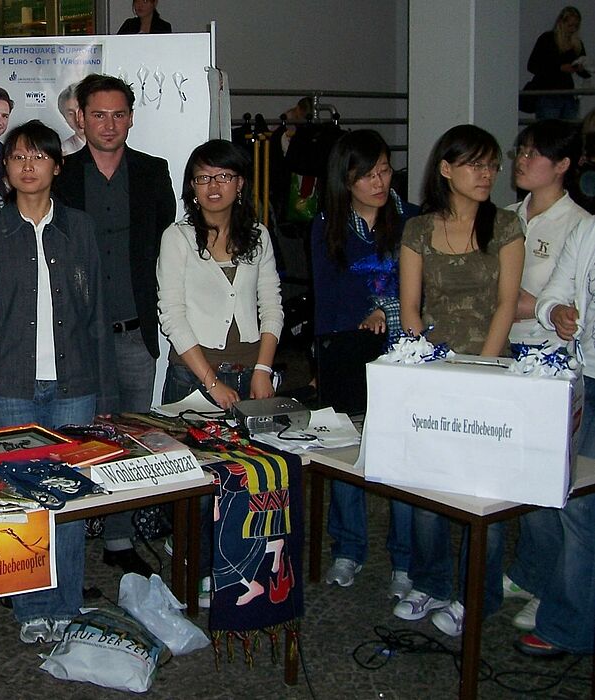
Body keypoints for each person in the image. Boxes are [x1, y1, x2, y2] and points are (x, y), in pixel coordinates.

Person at [0, 119, 117, 645]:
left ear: (57, 165)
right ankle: (31, 607)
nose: (28, 167)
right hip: (9, 388)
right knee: (23, 501)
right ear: (5, 167)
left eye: (39, 157)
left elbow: (97, 313)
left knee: (68, 499)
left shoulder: (80, 228)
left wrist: (106, 394)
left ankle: (66, 604)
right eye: (18, 157)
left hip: (75, 386)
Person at [394, 124, 525, 636]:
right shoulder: (418, 229)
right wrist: (423, 363)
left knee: (482, 492)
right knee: (429, 487)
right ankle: (430, 581)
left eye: (491, 165)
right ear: (446, 169)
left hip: (490, 372)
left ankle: (477, 595)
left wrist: (482, 372)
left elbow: (507, 304)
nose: (486, 174)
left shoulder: (506, 225)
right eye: (475, 164)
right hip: (434, 371)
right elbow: (410, 307)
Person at [53, 73, 176, 576]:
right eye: (98, 115)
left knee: (131, 437)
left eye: (118, 114)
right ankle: (68, 543)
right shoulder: (62, 174)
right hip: (75, 336)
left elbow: (167, 247)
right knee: (75, 438)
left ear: (131, 118)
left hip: (132, 331)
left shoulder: (152, 172)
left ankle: (120, 539)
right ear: (80, 119)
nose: (109, 124)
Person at [310, 130, 420, 597]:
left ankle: (405, 562)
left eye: (384, 171)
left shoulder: (413, 220)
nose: (379, 183)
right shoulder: (327, 226)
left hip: (405, 353)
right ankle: (348, 548)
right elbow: (328, 298)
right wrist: (360, 317)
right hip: (350, 352)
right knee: (347, 451)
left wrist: (385, 311)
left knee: (403, 457)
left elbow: (426, 291)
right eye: (366, 175)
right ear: (346, 179)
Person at [500, 120, 591, 634]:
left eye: (535, 154)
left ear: (562, 165)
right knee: (522, 473)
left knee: (558, 482)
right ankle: (531, 570)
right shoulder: (510, 215)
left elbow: (564, 301)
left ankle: (555, 586)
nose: (522, 160)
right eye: (522, 150)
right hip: (508, 349)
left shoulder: (576, 224)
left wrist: (508, 302)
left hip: (554, 358)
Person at [515, 215, 595, 658]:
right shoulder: (588, 231)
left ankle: (567, 624)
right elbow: (554, 294)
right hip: (582, 375)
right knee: (563, 491)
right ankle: (560, 600)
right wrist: (557, 313)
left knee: (580, 507)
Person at [157, 139, 283, 409]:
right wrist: (212, 383)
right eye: (203, 178)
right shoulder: (177, 237)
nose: (213, 186)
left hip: (250, 373)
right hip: (191, 377)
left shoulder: (259, 236)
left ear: (239, 184)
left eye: (224, 176)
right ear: (192, 186)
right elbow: (172, 316)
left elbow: (272, 305)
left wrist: (263, 369)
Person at [527, 6, 589, 121]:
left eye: (576, 26)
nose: (573, 29)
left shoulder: (577, 44)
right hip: (549, 94)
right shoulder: (547, 39)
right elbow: (532, 66)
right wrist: (559, 68)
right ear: (561, 23)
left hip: (570, 96)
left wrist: (581, 69)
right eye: (570, 25)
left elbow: (586, 72)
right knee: (549, 129)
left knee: (569, 129)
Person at [56, 84, 85, 156]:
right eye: (71, 114)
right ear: (64, 118)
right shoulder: (62, 151)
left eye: (81, 111)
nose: (77, 119)